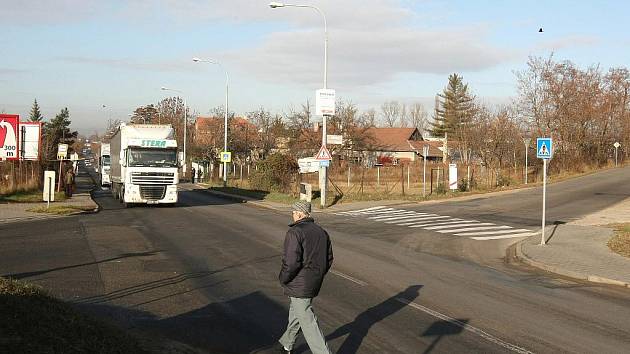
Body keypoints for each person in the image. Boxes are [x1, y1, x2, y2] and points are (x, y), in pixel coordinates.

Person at [277, 201, 333, 354]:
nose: (293, 215)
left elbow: (291, 262)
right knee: (297, 313)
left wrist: (283, 278)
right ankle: (287, 344)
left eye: (294, 213)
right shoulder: (322, 232)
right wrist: (318, 274)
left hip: (299, 283)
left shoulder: (295, 232)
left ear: (300, 213)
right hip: (314, 281)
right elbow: (329, 258)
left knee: (308, 321)